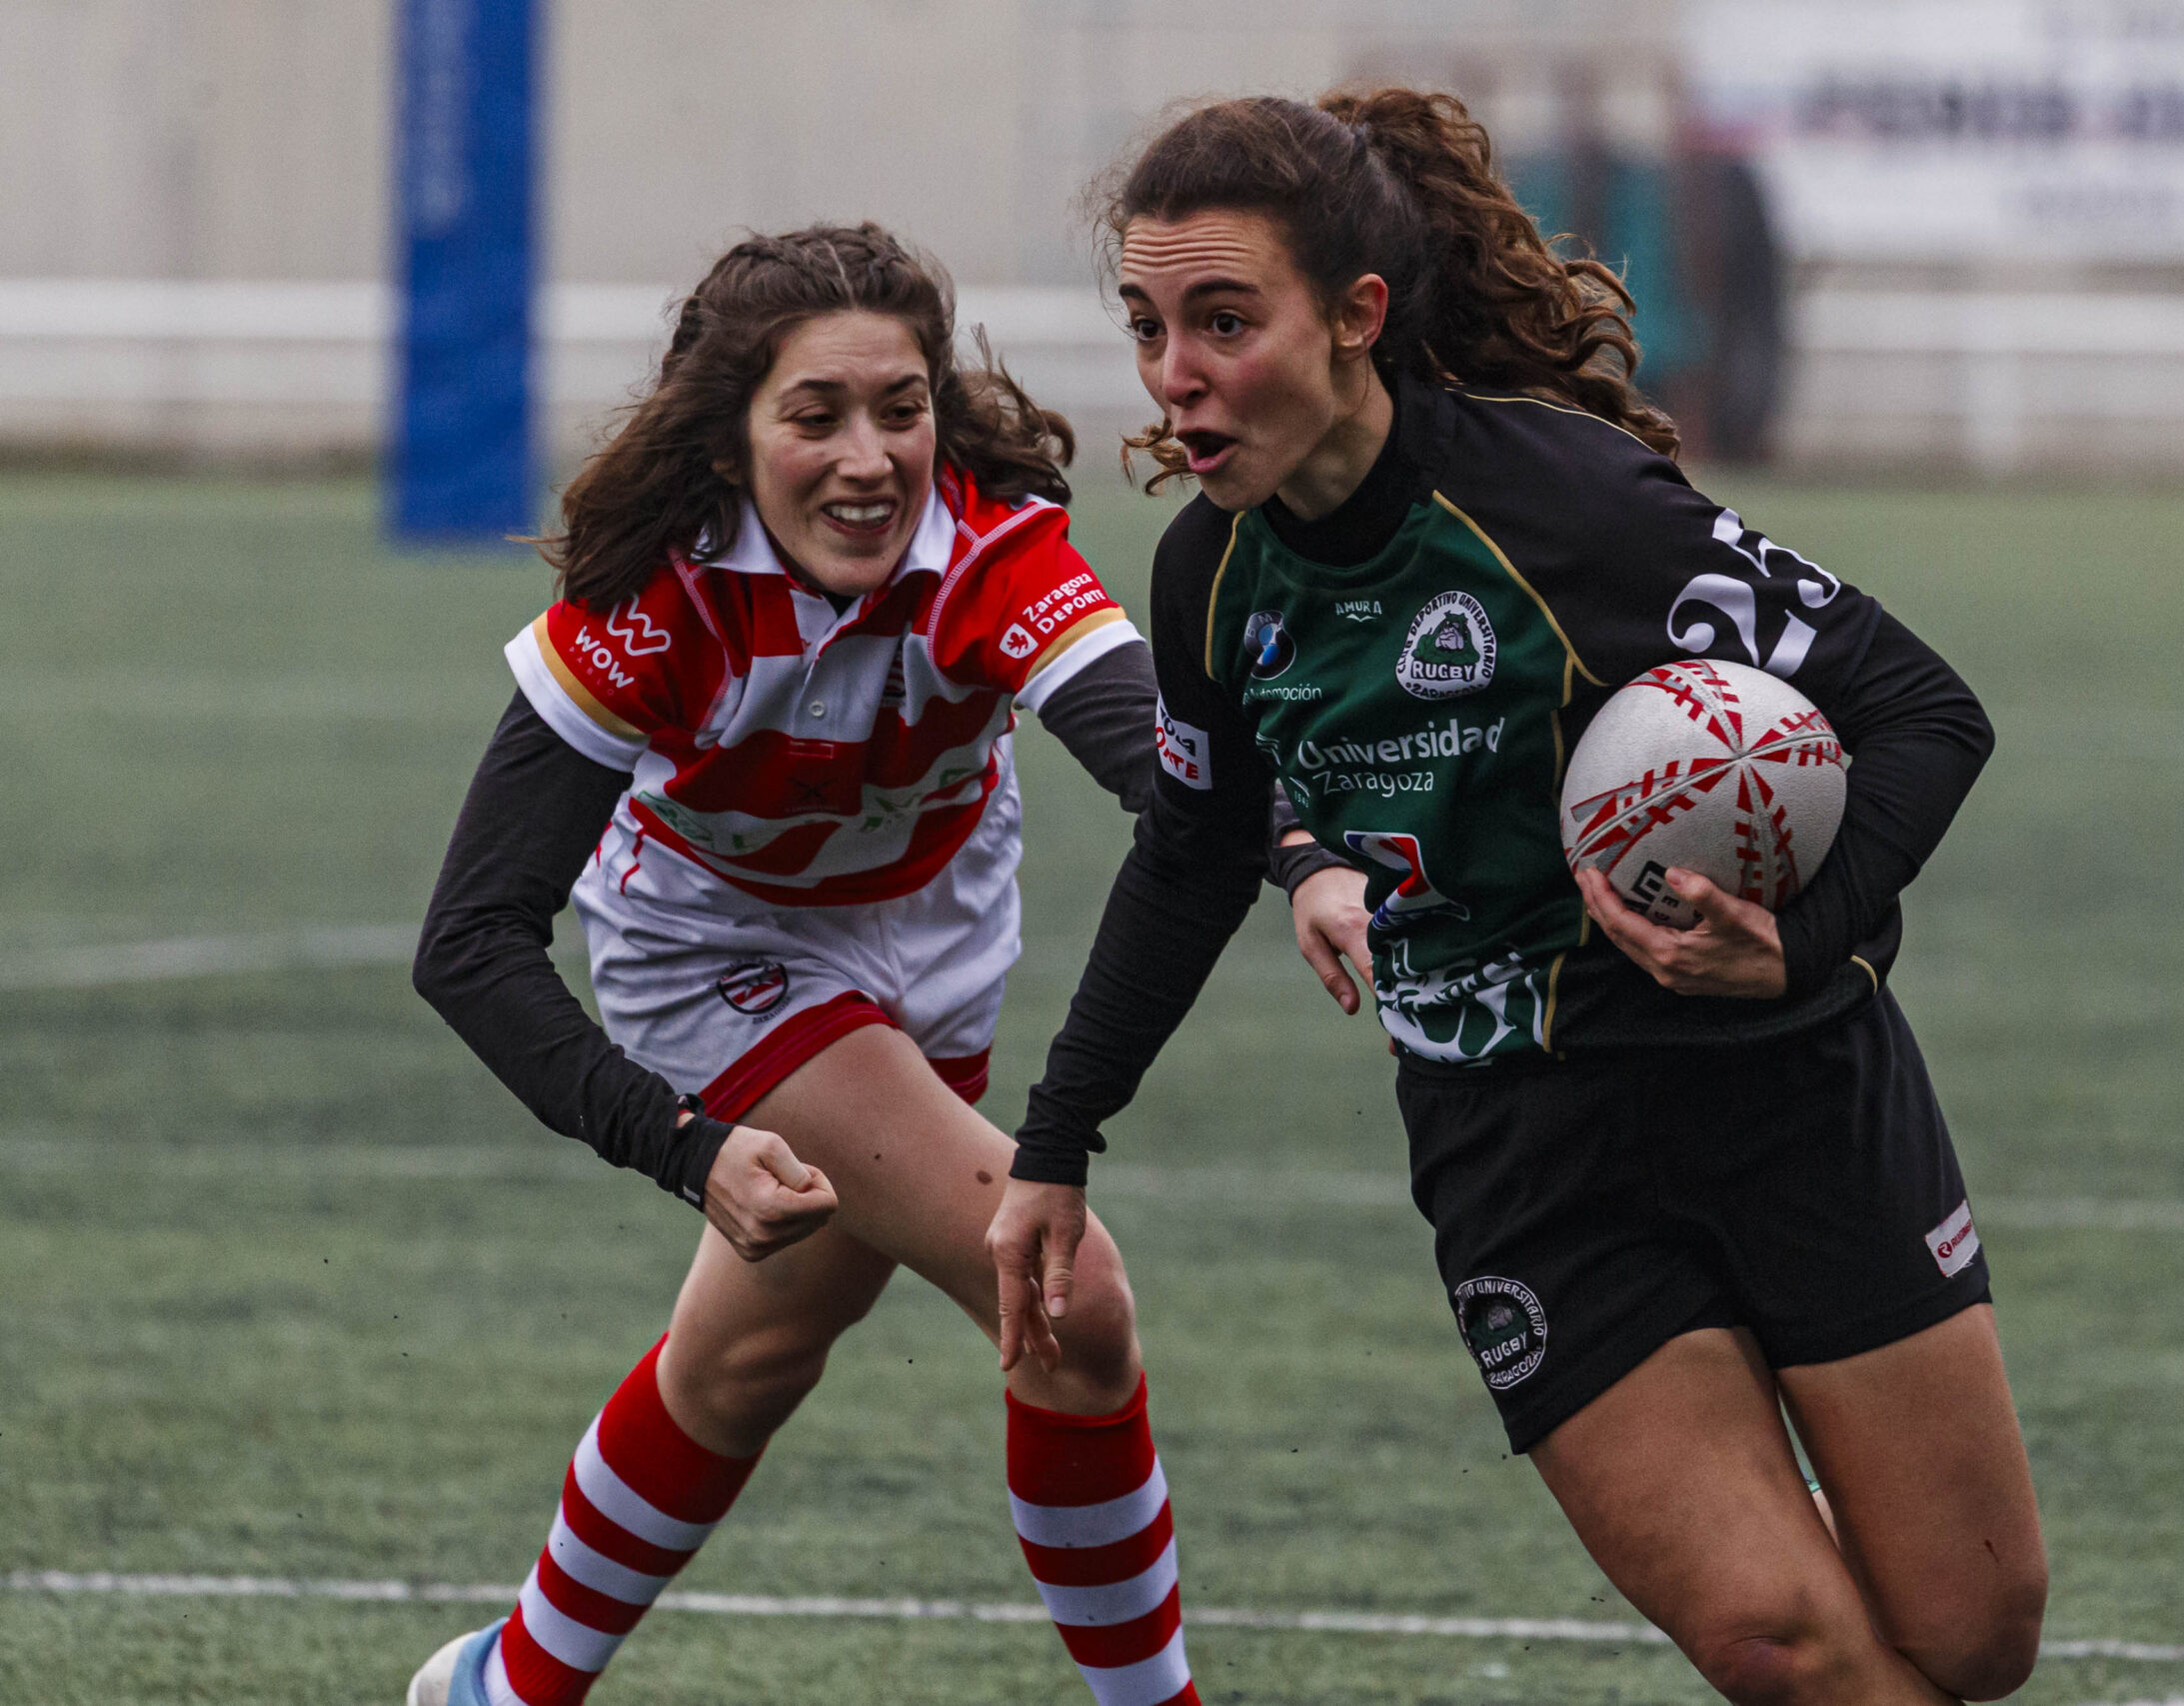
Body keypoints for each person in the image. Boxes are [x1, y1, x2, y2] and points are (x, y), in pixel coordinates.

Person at [990, 92, 2050, 1704]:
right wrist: (1054, 1143)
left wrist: (1799, 946)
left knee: (1973, 1632)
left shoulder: (1571, 508)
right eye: (1146, 325)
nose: (1174, 375)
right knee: (1782, 1641)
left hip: (1786, 1095)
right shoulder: (1214, 573)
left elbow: (1924, 710)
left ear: (1355, 320)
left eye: (1223, 320)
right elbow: (1191, 859)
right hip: (1521, 1155)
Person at [405, 225, 1214, 1706]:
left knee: (743, 1366)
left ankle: (503, 1689)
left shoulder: (987, 546)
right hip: (716, 960)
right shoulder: (654, 602)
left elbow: (1154, 755)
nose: (867, 458)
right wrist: (685, 1143)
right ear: (732, 436)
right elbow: (468, 946)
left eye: (900, 410)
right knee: (1065, 1301)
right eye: (815, 415)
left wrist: (1307, 856)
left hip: (938, 953)